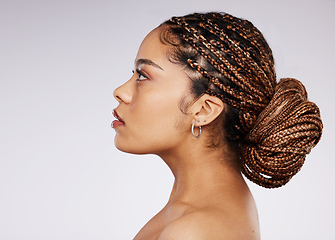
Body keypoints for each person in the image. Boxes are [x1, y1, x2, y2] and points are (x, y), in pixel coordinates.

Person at [111, 12, 323, 240]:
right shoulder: (211, 205)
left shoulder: (193, 231)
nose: (120, 92)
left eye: (143, 76)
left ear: (204, 110)